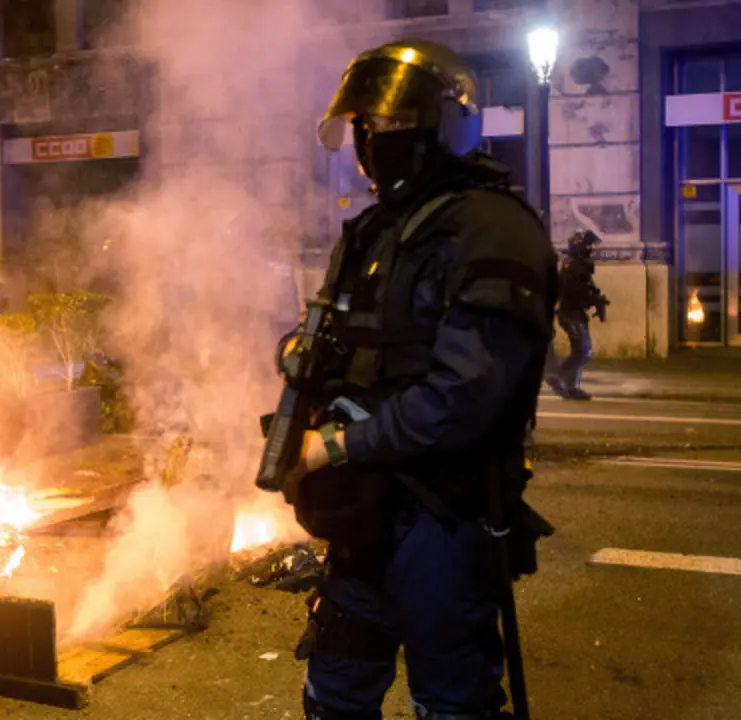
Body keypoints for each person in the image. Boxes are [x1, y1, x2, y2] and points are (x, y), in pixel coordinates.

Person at [285, 40, 558, 719]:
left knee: (451, 704)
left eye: (388, 126)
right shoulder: (375, 231)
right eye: (364, 128)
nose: (371, 141)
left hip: (445, 514)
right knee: (335, 693)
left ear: (444, 125)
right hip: (363, 514)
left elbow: (465, 396)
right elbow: (345, 335)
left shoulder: (494, 230)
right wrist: (300, 351)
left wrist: (336, 447)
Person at [545, 230, 608, 401]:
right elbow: (573, 291)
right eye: (587, 245)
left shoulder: (579, 266)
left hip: (576, 313)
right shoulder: (572, 266)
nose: (590, 248)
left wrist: (597, 299)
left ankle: (572, 386)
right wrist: (591, 298)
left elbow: (588, 288)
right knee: (583, 350)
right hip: (569, 313)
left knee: (580, 350)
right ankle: (559, 377)